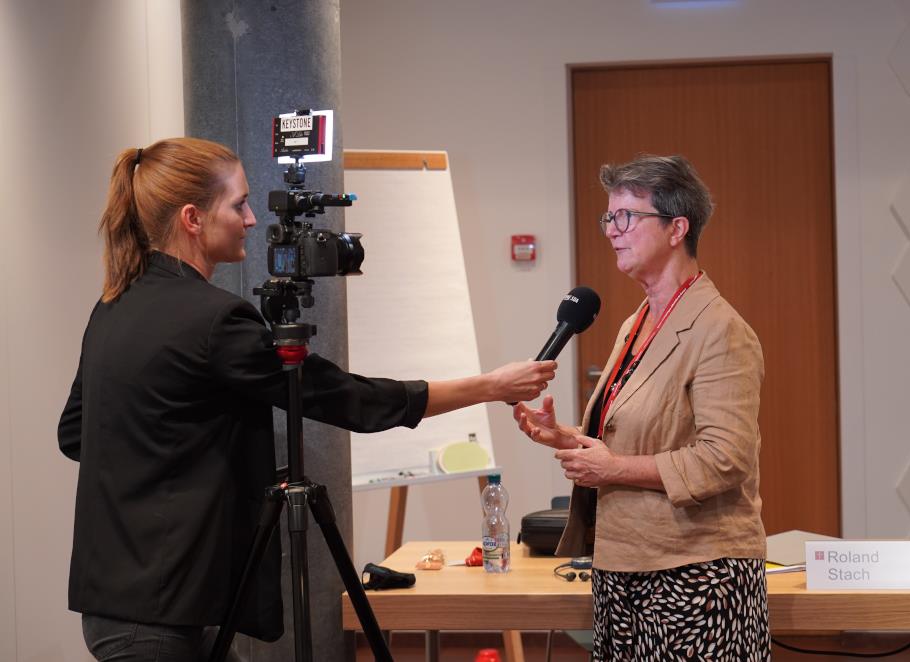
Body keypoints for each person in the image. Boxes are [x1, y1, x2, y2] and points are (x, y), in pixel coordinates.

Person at [57, 137, 556, 661]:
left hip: (121, 598)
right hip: (158, 613)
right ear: (192, 219)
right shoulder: (213, 320)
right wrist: (490, 386)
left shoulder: (113, 305)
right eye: (238, 204)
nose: (251, 219)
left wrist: (170, 465)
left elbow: (75, 433)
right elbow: (349, 399)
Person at [514, 155, 769, 660]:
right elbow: (634, 436)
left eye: (627, 216)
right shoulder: (637, 323)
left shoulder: (721, 330)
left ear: (677, 228)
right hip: (625, 566)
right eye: (609, 217)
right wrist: (565, 438)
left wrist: (612, 468)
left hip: (696, 576)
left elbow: (726, 458)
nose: (612, 230)